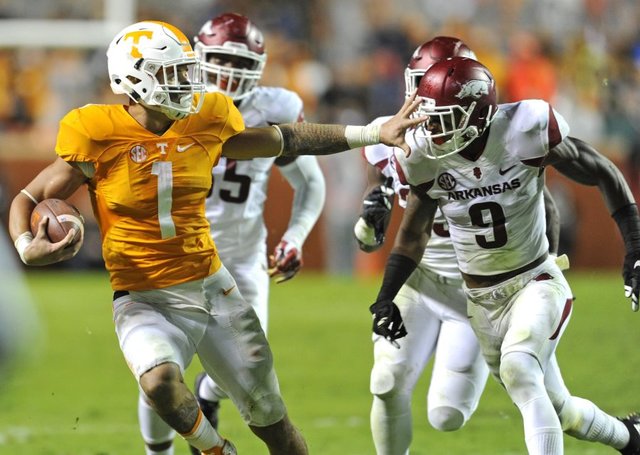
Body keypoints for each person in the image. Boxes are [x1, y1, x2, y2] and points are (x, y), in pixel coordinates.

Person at [8, 20, 424, 455]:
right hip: (141, 296)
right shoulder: (95, 131)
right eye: (171, 73)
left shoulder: (206, 119)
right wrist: (25, 246)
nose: (187, 82)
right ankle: (215, 449)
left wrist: (373, 133)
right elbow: (27, 196)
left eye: (185, 70)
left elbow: (286, 138)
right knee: (158, 380)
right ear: (132, 79)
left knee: (272, 420)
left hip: (213, 289)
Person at [369, 56, 640, 455]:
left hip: (534, 282)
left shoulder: (523, 130)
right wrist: (386, 295)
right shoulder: (424, 154)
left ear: (476, 113)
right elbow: (413, 236)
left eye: (444, 118)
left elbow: (600, 170)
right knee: (560, 409)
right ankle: (631, 439)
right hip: (481, 302)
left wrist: (634, 248)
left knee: (520, 371)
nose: (432, 128)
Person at [354, 37, 563, 455]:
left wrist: (545, 268)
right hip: (419, 280)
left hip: (475, 291)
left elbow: (543, 203)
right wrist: (370, 222)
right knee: (385, 381)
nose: (423, 99)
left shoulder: (498, 138)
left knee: (447, 415)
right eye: (418, 84)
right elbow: (379, 234)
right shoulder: (390, 138)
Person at [133, 13, 326, 455]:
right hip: (173, 257)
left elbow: (310, 181)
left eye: (239, 64)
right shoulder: (167, 104)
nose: (228, 74)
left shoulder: (274, 105)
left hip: (239, 257)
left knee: (250, 368)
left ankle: (207, 394)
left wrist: (294, 236)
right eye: (218, 60)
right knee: (160, 368)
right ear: (197, 57)